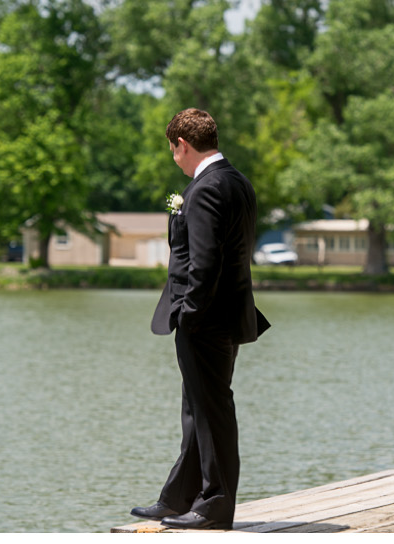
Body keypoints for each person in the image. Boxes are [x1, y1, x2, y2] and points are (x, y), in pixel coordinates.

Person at [131, 108, 270, 530]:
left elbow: (206, 263)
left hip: (206, 319)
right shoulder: (236, 181)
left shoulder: (207, 187)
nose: (173, 157)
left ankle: (214, 506)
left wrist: (189, 314)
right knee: (197, 409)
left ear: (182, 145)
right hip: (226, 315)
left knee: (211, 411)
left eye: (172, 149)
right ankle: (180, 497)